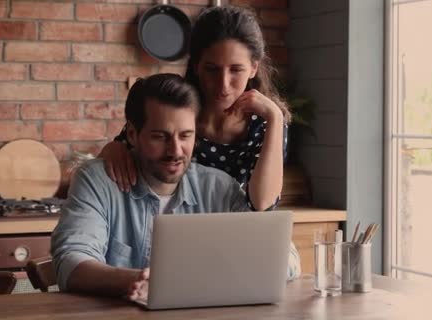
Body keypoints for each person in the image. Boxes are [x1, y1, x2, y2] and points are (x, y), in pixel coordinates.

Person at [99, 5, 301, 279]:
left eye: (236, 70)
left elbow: (263, 202)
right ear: (195, 66)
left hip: (236, 247)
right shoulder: (179, 110)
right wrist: (113, 148)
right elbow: (126, 145)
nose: (223, 84)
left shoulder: (266, 123)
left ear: (254, 67)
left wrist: (276, 118)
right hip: (171, 240)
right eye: (212, 69)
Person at [52, 74, 279, 301]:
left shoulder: (219, 188)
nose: (176, 151)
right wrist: (139, 280)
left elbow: (283, 257)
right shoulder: (96, 181)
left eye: (185, 136)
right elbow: (71, 263)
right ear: (132, 134)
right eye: (160, 137)